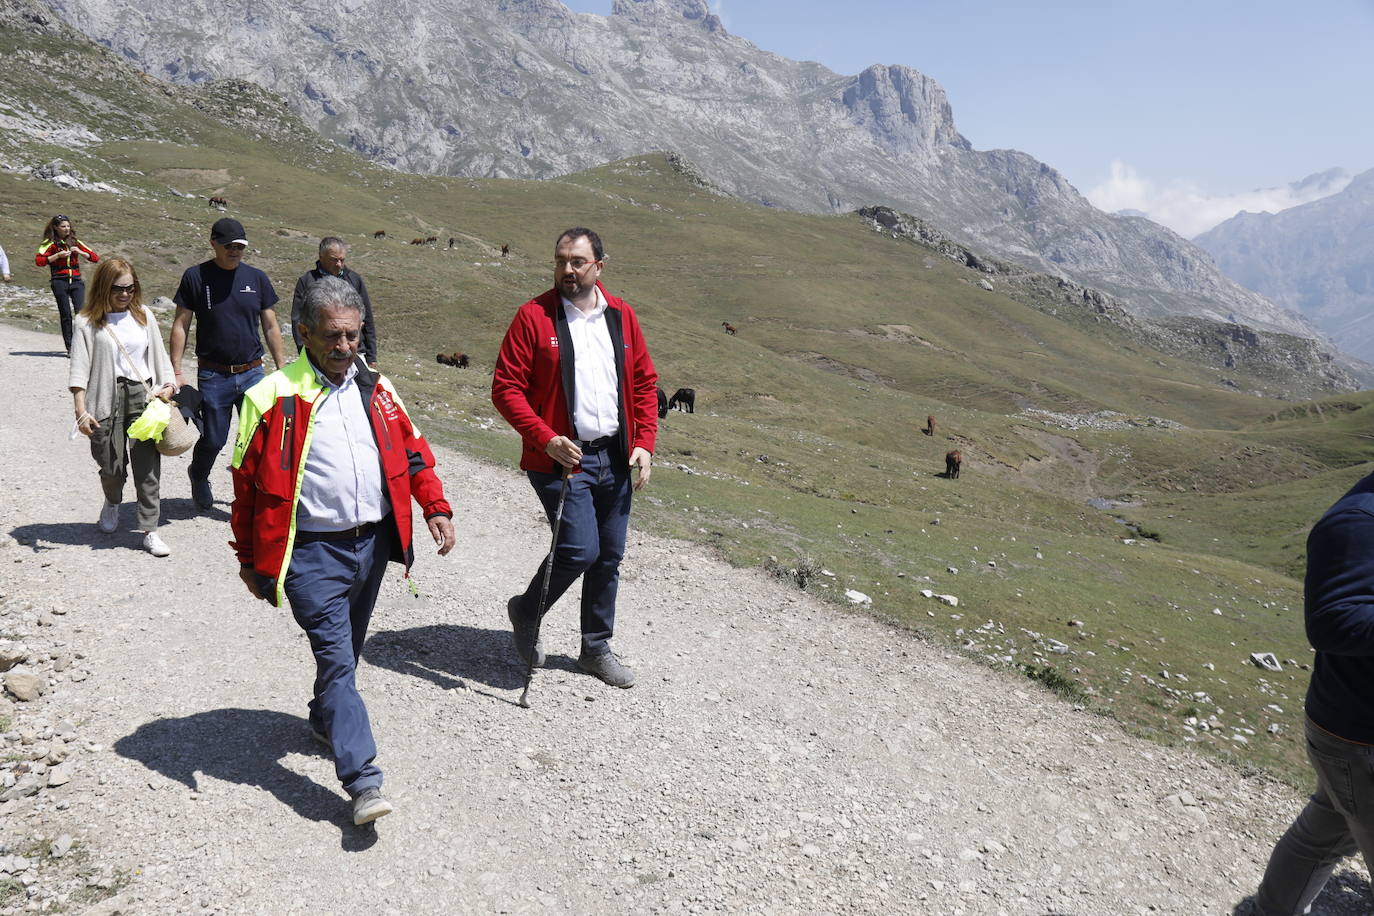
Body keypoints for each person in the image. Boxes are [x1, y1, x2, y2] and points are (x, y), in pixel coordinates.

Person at [230, 276, 456, 826]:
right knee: (336, 660)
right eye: (333, 336)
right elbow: (245, 487)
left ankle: (322, 718)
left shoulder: (378, 388)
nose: (345, 347)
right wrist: (247, 559)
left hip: (372, 545)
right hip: (308, 552)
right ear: (304, 332)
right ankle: (363, 780)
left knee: (347, 649)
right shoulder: (270, 397)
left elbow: (414, 453)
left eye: (353, 336)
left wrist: (435, 507)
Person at [491, 227, 658, 689]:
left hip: (616, 455)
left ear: (598, 266)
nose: (567, 269)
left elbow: (643, 383)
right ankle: (526, 611)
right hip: (560, 459)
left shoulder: (621, 316)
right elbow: (505, 388)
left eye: (577, 261)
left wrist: (644, 441)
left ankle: (595, 648)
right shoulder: (534, 316)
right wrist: (545, 438)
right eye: (561, 260)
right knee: (579, 549)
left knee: (608, 556)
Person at [1250, 471, 1374, 913]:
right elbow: (1333, 621)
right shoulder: (1358, 520)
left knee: (1325, 831)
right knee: (1327, 831)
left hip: (1350, 730)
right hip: (1359, 733)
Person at [169, 217, 287, 510]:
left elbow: (271, 326)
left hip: (253, 373)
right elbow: (181, 325)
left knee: (259, 437)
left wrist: (282, 368)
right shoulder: (195, 277)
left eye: (240, 246)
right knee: (214, 438)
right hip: (213, 374)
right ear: (213, 244)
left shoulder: (257, 278)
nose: (234, 251)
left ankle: (254, 494)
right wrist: (177, 371)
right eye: (228, 246)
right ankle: (198, 475)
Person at [68, 257, 176, 557]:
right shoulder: (86, 322)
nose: (126, 294)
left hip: (143, 395)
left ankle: (150, 530)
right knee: (111, 465)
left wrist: (167, 384)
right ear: (104, 287)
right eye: (118, 289)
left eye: (131, 287)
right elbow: (79, 368)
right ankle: (112, 499)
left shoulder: (144, 316)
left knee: (147, 468)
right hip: (105, 397)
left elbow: (160, 356)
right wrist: (80, 410)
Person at [291, 237, 378, 367]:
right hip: (320, 352)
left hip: (354, 353)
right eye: (334, 259)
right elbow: (297, 319)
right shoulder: (307, 281)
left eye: (342, 260)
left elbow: (367, 317)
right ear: (321, 257)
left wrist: (371, 356)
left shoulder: (354, 280)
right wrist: (304, 351)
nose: (338, 264)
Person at [35, 215, 99, 353]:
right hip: (59, 281)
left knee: (81, 314)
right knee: (66, 315)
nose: (67, 229)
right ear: (56, 228)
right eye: (63, 226)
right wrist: (57, 256)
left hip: (76, 281)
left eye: (68, 226)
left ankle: (84, 345)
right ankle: (70, 347)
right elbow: (39, 261)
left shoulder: (75, 241)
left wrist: (80, 252)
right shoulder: (49, 243)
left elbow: (95, 258)